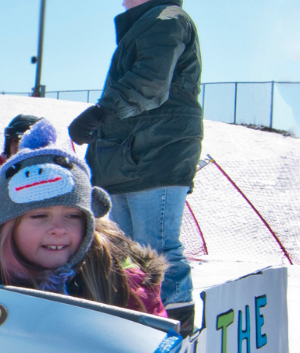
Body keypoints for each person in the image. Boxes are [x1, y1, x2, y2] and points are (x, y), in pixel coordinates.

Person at [64, 0, 204, 329]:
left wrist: (101, 112)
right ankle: (140, 322)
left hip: (156, 154)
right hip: (129, 157)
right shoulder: (146, 24)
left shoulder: (166, 19)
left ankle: (176, 330)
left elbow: (151, 82)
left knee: (157, 247)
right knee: (130, 253)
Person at [0, 120, 169, 317]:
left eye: (73, 215)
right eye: (40, 215)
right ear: (7, 225)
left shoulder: (124, 282)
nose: (59, 229)